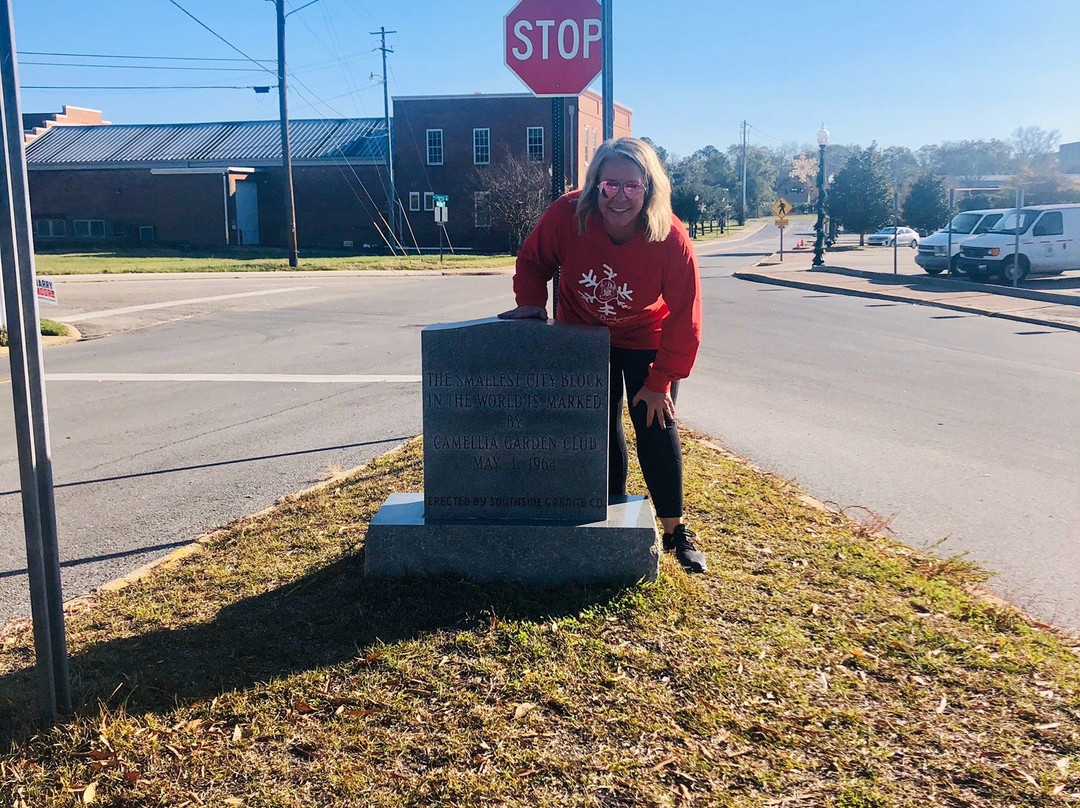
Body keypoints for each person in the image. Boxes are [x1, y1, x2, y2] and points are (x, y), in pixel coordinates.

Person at [499, 137, 706, 574]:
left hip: (646, 335)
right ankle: (608, 513)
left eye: (633, 186)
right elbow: (533, 260)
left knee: (655, 420)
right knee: (596, 422)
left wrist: (660, 379)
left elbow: (686, 314)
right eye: (610, 185)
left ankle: (675, 530)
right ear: (595, 185)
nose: (620, 196)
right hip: (584, 333)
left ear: (649, 188)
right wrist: (532, 302)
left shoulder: (669, 235)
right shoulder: (567, 215)